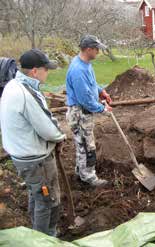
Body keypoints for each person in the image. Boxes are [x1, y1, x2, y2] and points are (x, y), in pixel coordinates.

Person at [0, 49, 66, 236]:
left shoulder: (12, 85)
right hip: (36, 159)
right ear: (35, 71)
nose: (48, 72)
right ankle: (46, 238)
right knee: (48, 200)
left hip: (22, 156)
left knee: (37, 195)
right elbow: (46, 128)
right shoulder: (26, 94)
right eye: (46, 69)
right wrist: (60, 136)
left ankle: (36, 233)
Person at [66, 35, 112, 187]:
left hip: (84, 111)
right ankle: (88, 178)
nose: (98, 52)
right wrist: (103, 108)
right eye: (97, 49)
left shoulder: (85, 63)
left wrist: (101, 91)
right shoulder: (78, 70)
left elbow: (90, 84)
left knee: (83, 144)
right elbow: (85, 99)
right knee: (87, 146)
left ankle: (81, 172)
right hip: (80, 112)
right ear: (88, 49)